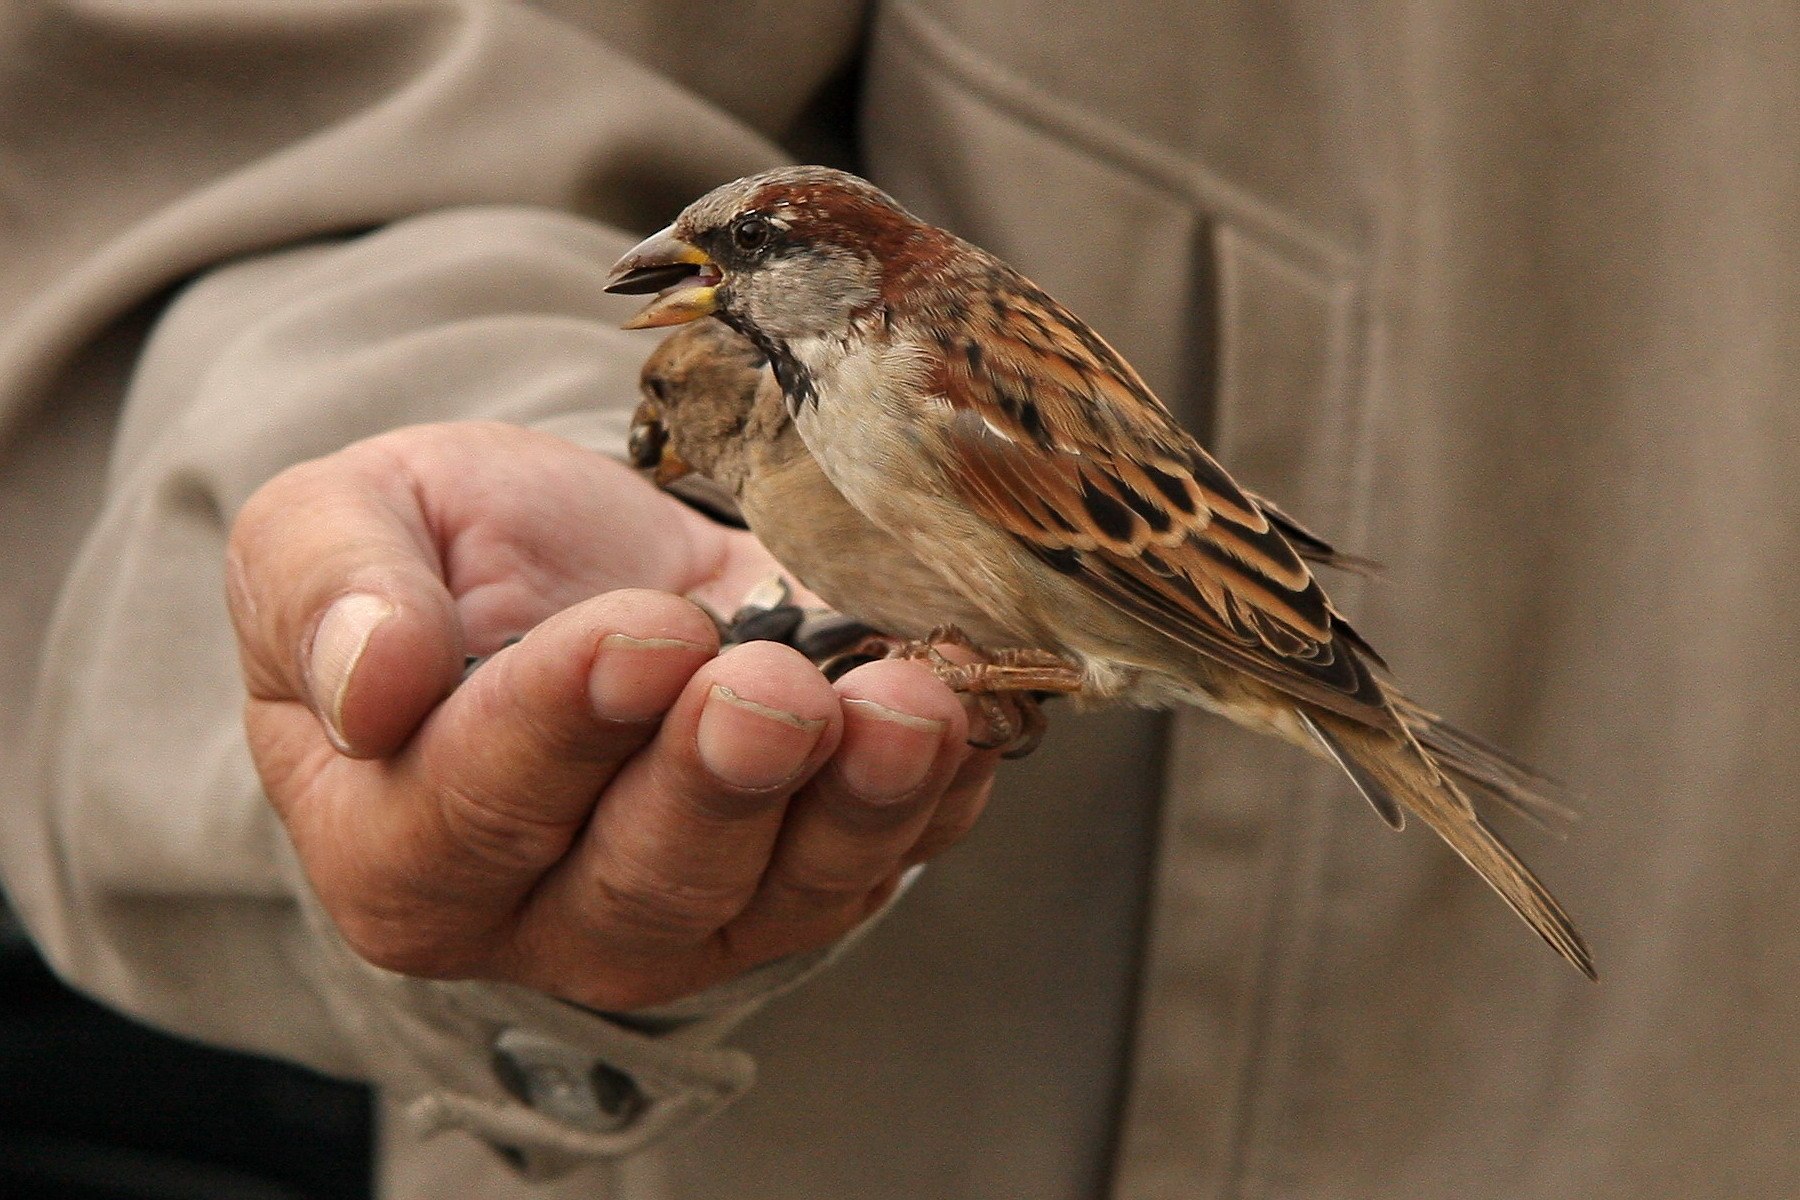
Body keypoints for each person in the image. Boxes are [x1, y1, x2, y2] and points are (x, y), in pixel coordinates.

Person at [1, 2, 1794, 1197]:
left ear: (838, 276)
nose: (706, 280)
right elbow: (274, 134)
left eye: (745, 253)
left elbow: (1129, 568)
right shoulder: (836, 386)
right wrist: (484, 459)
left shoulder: (935, 380)